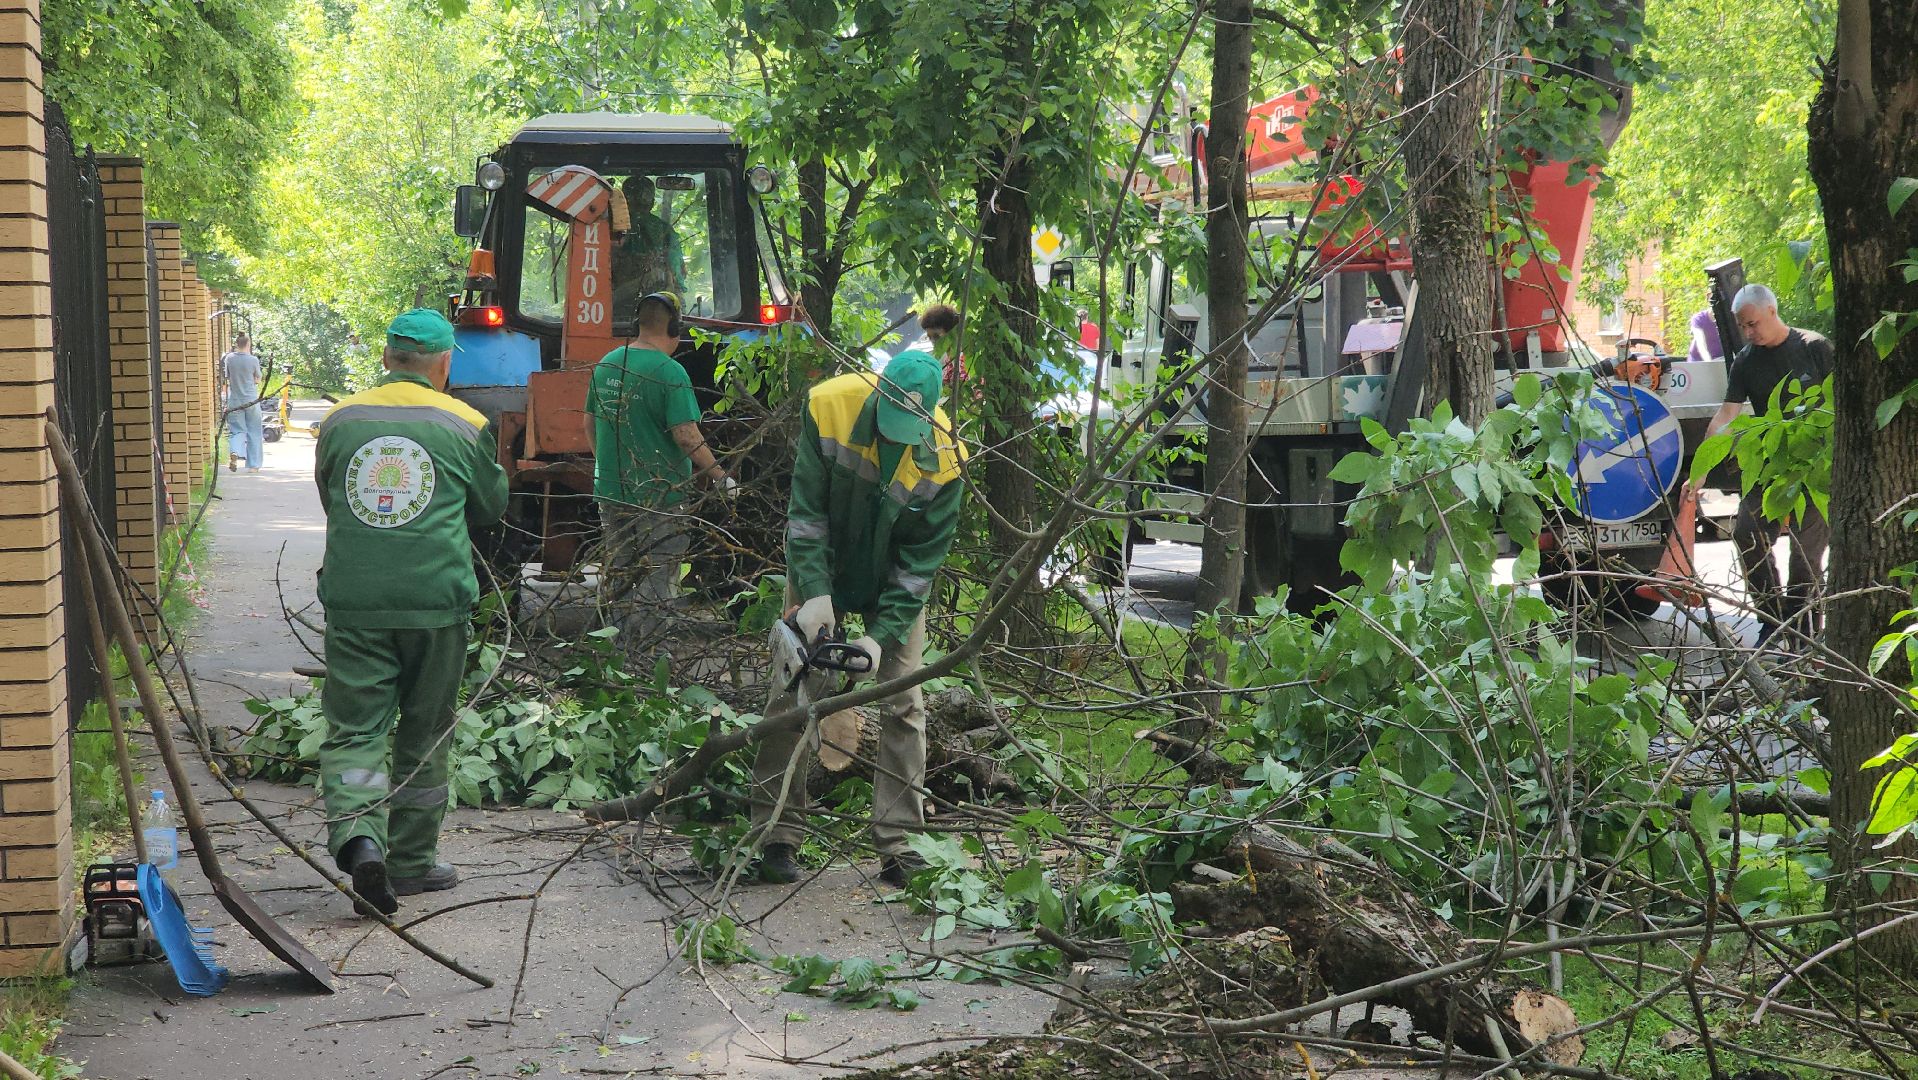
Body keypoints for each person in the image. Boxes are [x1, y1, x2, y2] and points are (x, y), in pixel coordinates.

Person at [314, 308, 509, 915]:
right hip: (436, 603)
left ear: (386, 357)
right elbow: (491, 506)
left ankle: (360, 840)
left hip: (357, 601)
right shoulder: (465, 422)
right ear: (444, 363)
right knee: (425, 733)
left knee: (356, 731)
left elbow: (332, 497)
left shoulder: (340, 421)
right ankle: (413, 862)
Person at [751, 350, 967, 887]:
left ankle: (900, 844)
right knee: (790, 685)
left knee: (906, 701)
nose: (894, 437)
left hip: (890, 578)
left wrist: (878, 637)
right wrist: (816, 593)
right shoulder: (830, 406)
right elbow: (806, 514)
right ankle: (775, 834)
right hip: (822, 558)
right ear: (876, 393)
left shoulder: (945, 460)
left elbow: (917, 569)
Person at [584, 292, 727, 630]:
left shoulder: (607, 363)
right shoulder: (669, 371)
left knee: (620, 573)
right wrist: (722, 477)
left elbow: (589, 424)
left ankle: (615, 652)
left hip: (611, 491)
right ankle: (645, 659)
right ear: (676, 328)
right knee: (657, 577)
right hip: (660, 497)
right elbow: (687, 436)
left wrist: (608, 466)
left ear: (637, 324)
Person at [1704, 283, 1833, 645]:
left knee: (1804, 555)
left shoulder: (1814, 348)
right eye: (1743, 326)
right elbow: (1726, 415)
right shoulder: (1746, 361)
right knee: (1746, 534)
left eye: (1753, 323)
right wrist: (1698, 474)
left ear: (1773, 312)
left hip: (1816, 468)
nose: (1748, 332)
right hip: (1773, 466)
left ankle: (1802, 634)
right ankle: (1770, 621)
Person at [612, 175, 687, 305]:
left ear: (623, 201)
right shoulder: (666, 231)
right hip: (659, 308)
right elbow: (678, 278)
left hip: (610, 310)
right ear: (652, 203)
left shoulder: (607, 228)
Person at [220, 333, 264, 472]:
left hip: (235, 400)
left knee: (237, 431)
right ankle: (253, 465)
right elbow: (258, 378)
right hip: (251, 400)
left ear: (236, 344)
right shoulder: (253, 360)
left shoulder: (229, 358)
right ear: (248, 344)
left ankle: (235, 451)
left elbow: (226, 377)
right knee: (254, 432)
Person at [919, 303, 966, 392]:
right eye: (929, 337)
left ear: (951, 333)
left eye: (937, 336)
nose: (933, 342)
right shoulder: (941, 359)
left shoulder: (961, 361)